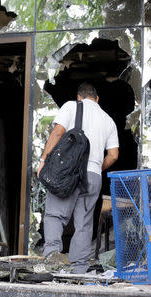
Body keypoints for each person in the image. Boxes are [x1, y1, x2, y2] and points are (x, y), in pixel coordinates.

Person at [37, 83, 119, 273]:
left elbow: (58, 132)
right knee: (84, 222)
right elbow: (113, 155)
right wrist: (97, 167)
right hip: (94, 176)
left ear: (79, 96)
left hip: (69, 172)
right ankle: (79, 268)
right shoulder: (108, 120)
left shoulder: (71, 106)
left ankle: (52, 258)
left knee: (55, 215)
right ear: (97, 99)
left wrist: (43, 160)